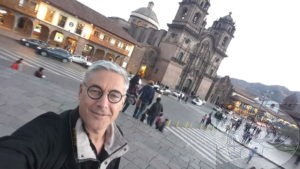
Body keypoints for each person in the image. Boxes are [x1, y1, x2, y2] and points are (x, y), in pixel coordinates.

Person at [0, 60, 129, 169]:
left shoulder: (117, 140)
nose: (103, 104)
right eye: (95, 91)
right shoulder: (49, 131)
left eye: (114, 95)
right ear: (80, 91)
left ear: (122, 103)